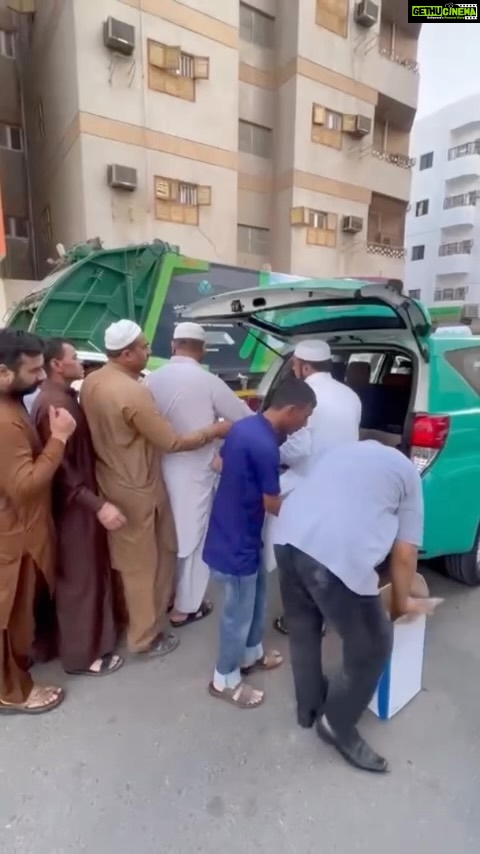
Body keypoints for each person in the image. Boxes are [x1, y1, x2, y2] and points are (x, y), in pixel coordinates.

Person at [274, 439, 430, 773]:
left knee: (303, 628)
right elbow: (405, 554)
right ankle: (336, 724)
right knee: (373, 645)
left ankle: (308, 707)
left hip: (287, 537)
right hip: (332, 557)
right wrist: (402, 602)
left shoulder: (345, 449)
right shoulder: (409, 477)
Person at [80, 319, 230, 659]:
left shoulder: (93, 381)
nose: (149, 352)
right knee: (143, 566)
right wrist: (213, 431)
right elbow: (171, 441)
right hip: (138, 487)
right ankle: (144, 638)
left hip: (111, 479)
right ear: (127, 353)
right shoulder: (132, 393)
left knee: (138, 558)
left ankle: (139, 619)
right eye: (145, 347)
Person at [205, 377, 316, 710]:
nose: (305, 424)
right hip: (237, 542)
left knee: (256, 598)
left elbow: (221, 464)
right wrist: (310, 514)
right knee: (237, 613)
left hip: (237, 530)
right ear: (291, 410)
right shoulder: (266, 446)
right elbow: (272, 503)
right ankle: (224, 679)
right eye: (306, 416)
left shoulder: (244, 427)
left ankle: (251, 654)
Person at [145, 321, 252, 629]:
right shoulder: (208, 381)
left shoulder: (150, 380)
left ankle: (165, 596)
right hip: (194, 471)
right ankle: (185, 608)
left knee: (164, 535)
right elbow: (244, 419)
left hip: (155, 468)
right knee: (192, 537)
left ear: (173, 345)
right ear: (203, 349)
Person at [31, 338, 125, 677]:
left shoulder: (63, 397)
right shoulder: (55, 405)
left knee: (86, 576)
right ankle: (82, 657)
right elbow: (61, 469)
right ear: (57, 365)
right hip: (73, 508)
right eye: (73, 356)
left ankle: (83, 643)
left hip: (78, 503)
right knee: (79, 580)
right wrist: (96, 504)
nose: (80, 361)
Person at [0, 329, 76, 714]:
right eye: (32, 371)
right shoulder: (4, 419)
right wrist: (59, 439)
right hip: (14, 538)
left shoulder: (11, 403)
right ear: (3, 373)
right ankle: (12, 692)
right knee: (10, 619)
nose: (42, 376)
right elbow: (25, 486)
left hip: (18, 531)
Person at [271, 340, 362, 636]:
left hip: (305, 487)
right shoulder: (351, 396)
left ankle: (302, 621)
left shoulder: (305, 397)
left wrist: (271, 454)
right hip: (342, 487)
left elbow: (298, 449)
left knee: (296, 560)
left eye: (295, 365)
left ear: (304, 366)